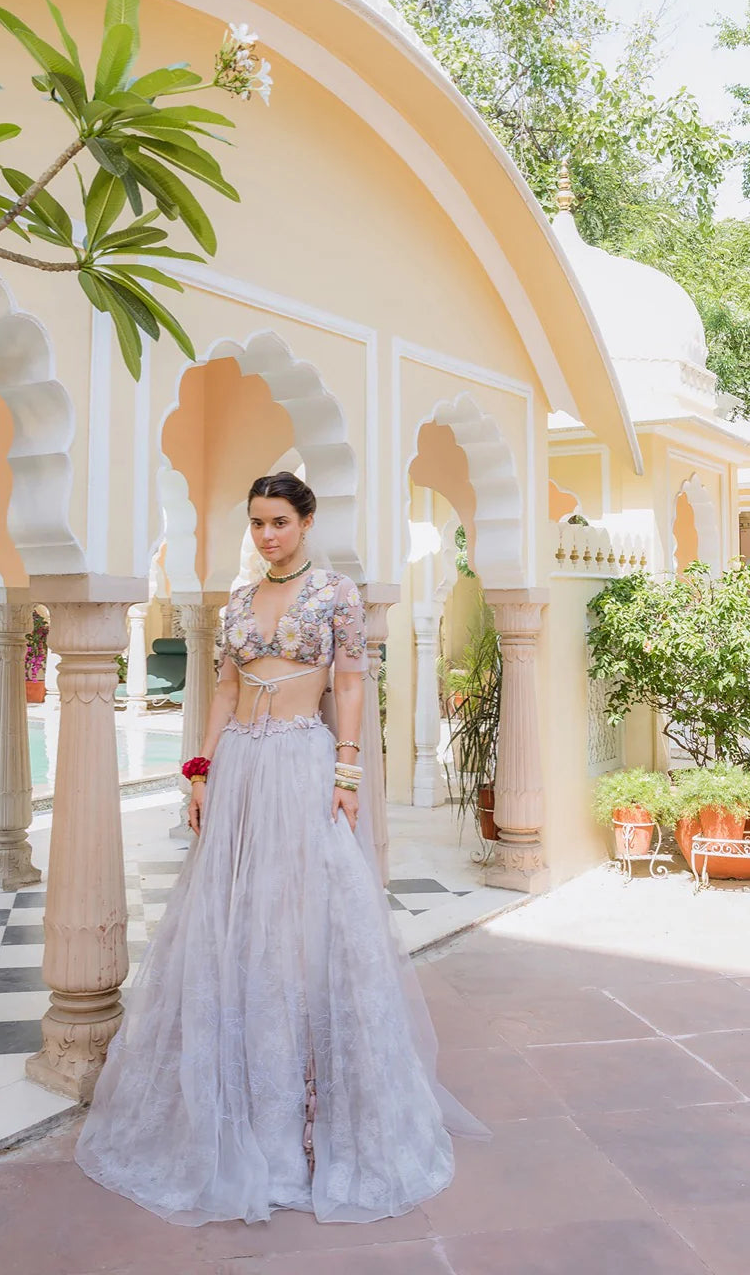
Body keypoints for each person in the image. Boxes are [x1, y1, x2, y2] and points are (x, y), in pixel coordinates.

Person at [75, 471, 484, 1225]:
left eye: (278, 522)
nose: (266, 534)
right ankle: (233, 1104)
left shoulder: (334, 594)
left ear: (304, 521)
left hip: (303, 763)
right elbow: (225, 691)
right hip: (239, 768)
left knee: (308, 923)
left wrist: (349, 768)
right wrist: (199, 773)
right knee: (233, 923)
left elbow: (353, 683)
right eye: (257, 522)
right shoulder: (235, 601)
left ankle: (308, 1112)